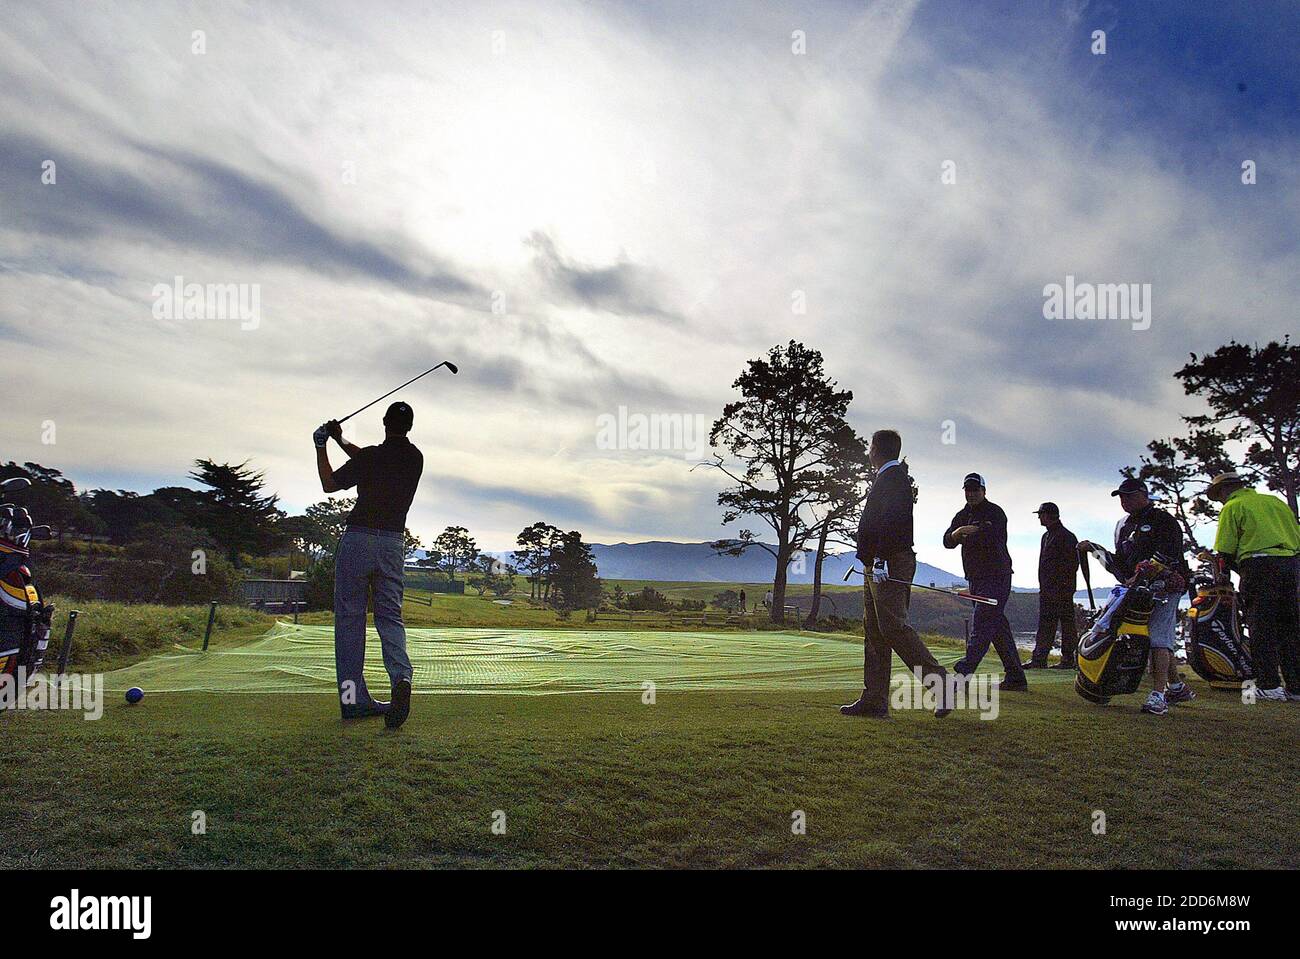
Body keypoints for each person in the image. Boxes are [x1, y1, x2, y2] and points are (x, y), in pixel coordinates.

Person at [314, 402, 423, 728]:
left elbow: (330, 483)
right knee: (390, 617)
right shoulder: (415, 458)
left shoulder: (371, 457)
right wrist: (340, 439)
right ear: (409, 427)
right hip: (392, 543)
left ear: (384, 422)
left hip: (358, 540)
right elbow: (369, 459)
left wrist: (322, 445)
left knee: (349, 622)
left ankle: (352, 701)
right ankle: (400, 679)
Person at [841, 429, 952, 718]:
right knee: (875, 631)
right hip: (877, 563)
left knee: (892, 627)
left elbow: (891, 522)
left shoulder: (893, 479)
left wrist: (879, 559)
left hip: (889, 562)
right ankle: (874, 699)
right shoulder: (888, 478)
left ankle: (941, 685)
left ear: (876, 449)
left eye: (869, 446)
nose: (868, 451)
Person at [1079, 477, 1192, 715]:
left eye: (1129, 495)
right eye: (1121, 496)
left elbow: (1169, 555)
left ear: (1144, 495)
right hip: (1136, 592)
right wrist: (1095, 550)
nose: (1124, 500)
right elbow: (1120, 563)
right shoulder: (1123, 525)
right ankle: (1177, 687)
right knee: (1159, 638)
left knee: (1159, 638)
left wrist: (1145, 573)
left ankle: (1158, 696)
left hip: (1165, 587)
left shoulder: (1164, 520)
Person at [1206, 471, 1300, 703]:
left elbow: (1225, 550)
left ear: (1223, 492)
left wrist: (1223, 577)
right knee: (1290, 627)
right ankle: (1296, 687)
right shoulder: (1274, 502)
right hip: (1290, 564)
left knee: (1261, 625)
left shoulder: (1233, 506)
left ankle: (1269, 686)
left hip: (1259, 566)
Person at [943, 473, 1026, 690]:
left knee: (981, 624)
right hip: (975, 579)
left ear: (984, 491)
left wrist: (971, 532)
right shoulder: (962, 515)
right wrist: (956, 534)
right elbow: (946, 540)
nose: (970, 494)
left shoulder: (995, 512)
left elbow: (993, 535)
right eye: (967, 490)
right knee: (997, 627)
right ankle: (1016, 677)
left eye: (975, 490)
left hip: (997, 577)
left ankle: (963, 674)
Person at [1023, 502, 1079, 669]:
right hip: (1048, 589)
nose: (1039, 517)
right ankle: (1040, 659)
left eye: (1041, 514)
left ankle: (1068, 659)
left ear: (1048, 515)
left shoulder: (1067, 536)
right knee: (1046, 624)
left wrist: (1061, 587)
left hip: (1061, 590)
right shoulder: (1046, 536)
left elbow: (1071, 566)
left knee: (1066, 625)